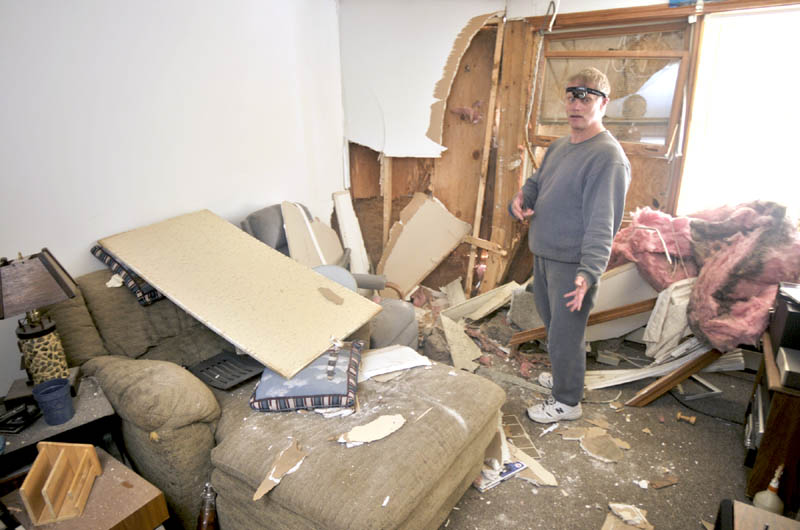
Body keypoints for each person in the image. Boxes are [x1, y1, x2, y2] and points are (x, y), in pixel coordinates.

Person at [509, 67, 631, 423]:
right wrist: (522, 197)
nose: (576, 103)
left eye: (587, 96)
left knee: (567, 334)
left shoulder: (607, 157)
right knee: (554, 327)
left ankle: (566, 400)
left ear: (604, 103)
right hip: (545, 253)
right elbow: (536, 182)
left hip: (571, 262)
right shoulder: (560, 146)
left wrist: (588, 273)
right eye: (571, 95)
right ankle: (566, 379)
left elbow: (602, 223)